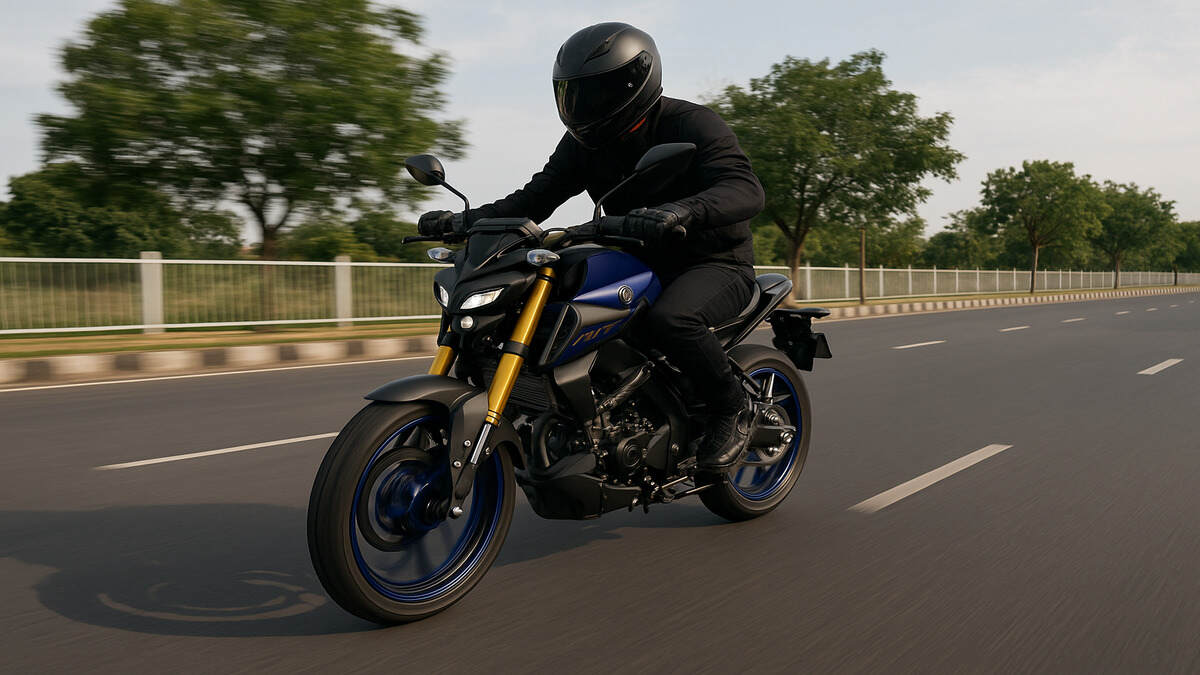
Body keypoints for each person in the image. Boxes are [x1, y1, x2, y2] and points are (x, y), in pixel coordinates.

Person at [417, 22, 765, 470]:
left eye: (595, 93)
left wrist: (681, 212)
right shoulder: (583, 143)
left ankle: (731, 409)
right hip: (635, 257)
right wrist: (462, 221)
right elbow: (533, 199)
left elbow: (745, 189)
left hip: (711, 262)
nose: (582, 106)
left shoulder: (691, 123)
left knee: (671, 320)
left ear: (634, 82)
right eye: (572, 93)